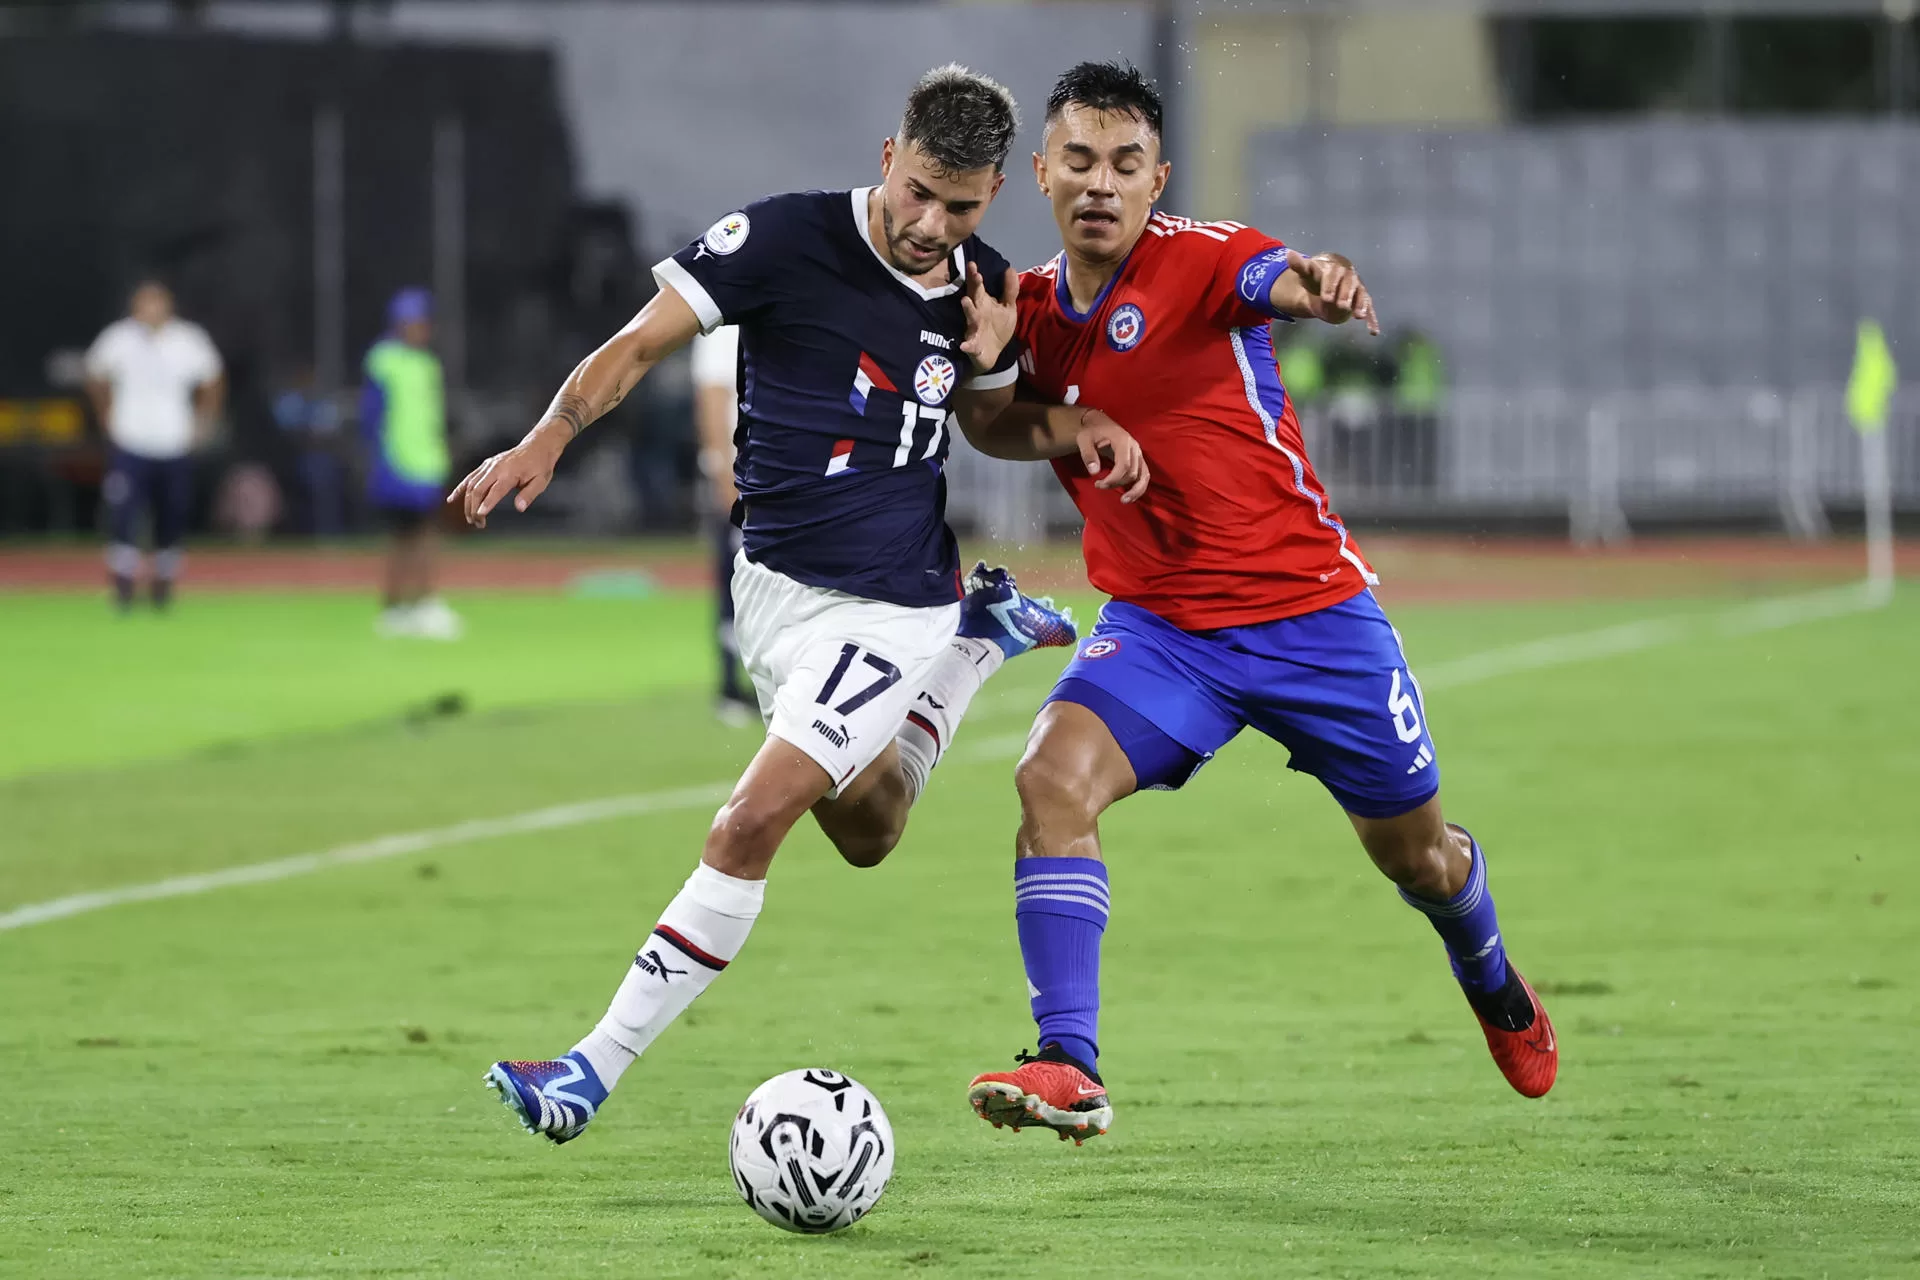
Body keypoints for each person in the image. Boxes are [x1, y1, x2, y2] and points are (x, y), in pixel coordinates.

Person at [451, 65, 1148, 1145]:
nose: (930, 223)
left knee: (750, 819)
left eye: (960, 206)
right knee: (868, 829)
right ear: (888, 158)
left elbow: (996, 428)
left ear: (993, 195)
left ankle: (590, 1068)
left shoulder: (984, 288)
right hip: (772, 590)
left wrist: (1048, 402)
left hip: (890, 600)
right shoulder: (780, 239)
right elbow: (640, 343)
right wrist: (549, 433)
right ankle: (976, 646)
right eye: (918, 191)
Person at [957, 61, 1557, 1145]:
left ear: (1157, 178)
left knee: (1420, 857)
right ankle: (1068, 1060)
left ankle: (1493, 978)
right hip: (1161, 629)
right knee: (1050, 777)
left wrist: (1317, 280)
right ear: (1040, 172)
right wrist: (997, 380)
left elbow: (1274, 276)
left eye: (1125, 164)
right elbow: (996, 426)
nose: (1101, 183)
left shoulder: (1202, 260)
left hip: (1314, 619)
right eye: (1080, 161)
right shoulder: (1030, 310)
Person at [83, 279, 224, 610]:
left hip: (173, 442)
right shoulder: (118, 338)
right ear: (135, 307)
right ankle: (123, 583)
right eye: (145, 303)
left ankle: (163, 581)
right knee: (124, 512)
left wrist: (203, 423)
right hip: (131, 441)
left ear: (169, 306)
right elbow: (95, 375)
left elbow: (213, 380)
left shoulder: (188, 339)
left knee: (171, 513)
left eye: (157, 302)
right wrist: (107, 416)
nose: (152, 310)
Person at [361, 288, 460, 640]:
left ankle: (411, 606)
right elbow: (371, 417)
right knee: (410, 536)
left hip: (426, 462)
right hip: (398, 462)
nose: (422, 328)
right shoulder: (383, 360)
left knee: (419, 534)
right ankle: (411, 606)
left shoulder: (426, 364)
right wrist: (378, 458)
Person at [689, 324, 757, 725]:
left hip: (782, 476)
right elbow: (713, 399)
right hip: (745, 475)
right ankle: (731, 686)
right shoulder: (725, 325)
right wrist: (722, 472)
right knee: (736, 584)